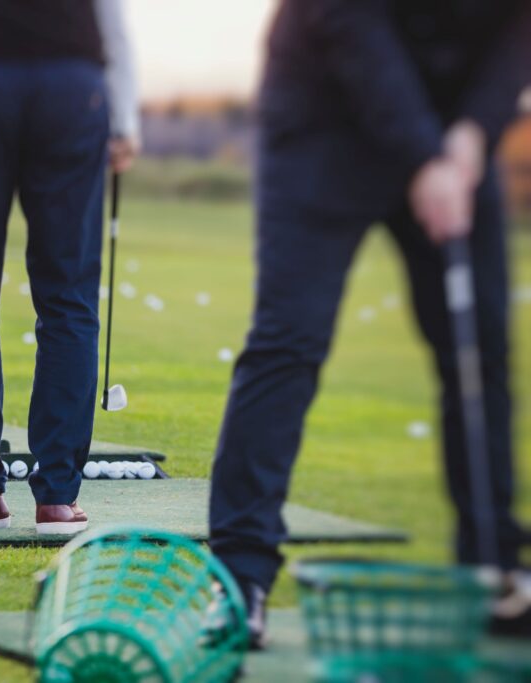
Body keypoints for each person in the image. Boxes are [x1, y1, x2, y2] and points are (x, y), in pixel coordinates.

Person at [208, 0, 531, 648]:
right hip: (322, 114)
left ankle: (495, 565)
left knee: (479, 346)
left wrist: (472, 131)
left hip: (450, 119)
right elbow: (350, 19)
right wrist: (423, 153)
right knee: (289, 339)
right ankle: (238, 577)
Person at [0, 0, 140, 533]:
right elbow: (109, 20)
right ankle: (57, 499)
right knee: (68, 297)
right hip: (69, 86)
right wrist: (124, 116)